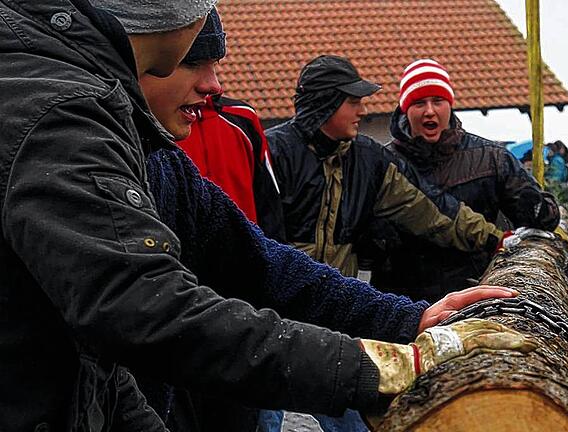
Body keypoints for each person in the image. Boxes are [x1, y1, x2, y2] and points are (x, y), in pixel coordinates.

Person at [0, 2, 522, 430]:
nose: (215, 85)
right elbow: (141, 309)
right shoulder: (56, 116)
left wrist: (406, 319)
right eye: (191, 62)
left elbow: (257, 260)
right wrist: (378, 367)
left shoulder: (153, 153)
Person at [266, 55, 508, 280]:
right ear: (325, 105)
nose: (362, 111)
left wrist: (496, 239)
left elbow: (431, 210)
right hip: (278, 308)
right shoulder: (272, 152)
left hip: (337, 307)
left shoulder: (369, 159)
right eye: (353, 102)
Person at [369, 58, 560, 302]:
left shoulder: (491, 158)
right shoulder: (382, 164)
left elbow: (544, 219)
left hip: (476, 295)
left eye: (437, 101)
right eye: (418, 103)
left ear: (450, 104)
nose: (429, 110)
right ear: (406, 109)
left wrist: (537, 208)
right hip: (403, 301)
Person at [140, 8, 284, 241]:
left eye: (215, 64)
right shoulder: (111, 148)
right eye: (192, 63)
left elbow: (270, 216)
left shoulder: (242, 121)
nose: (214, 85)